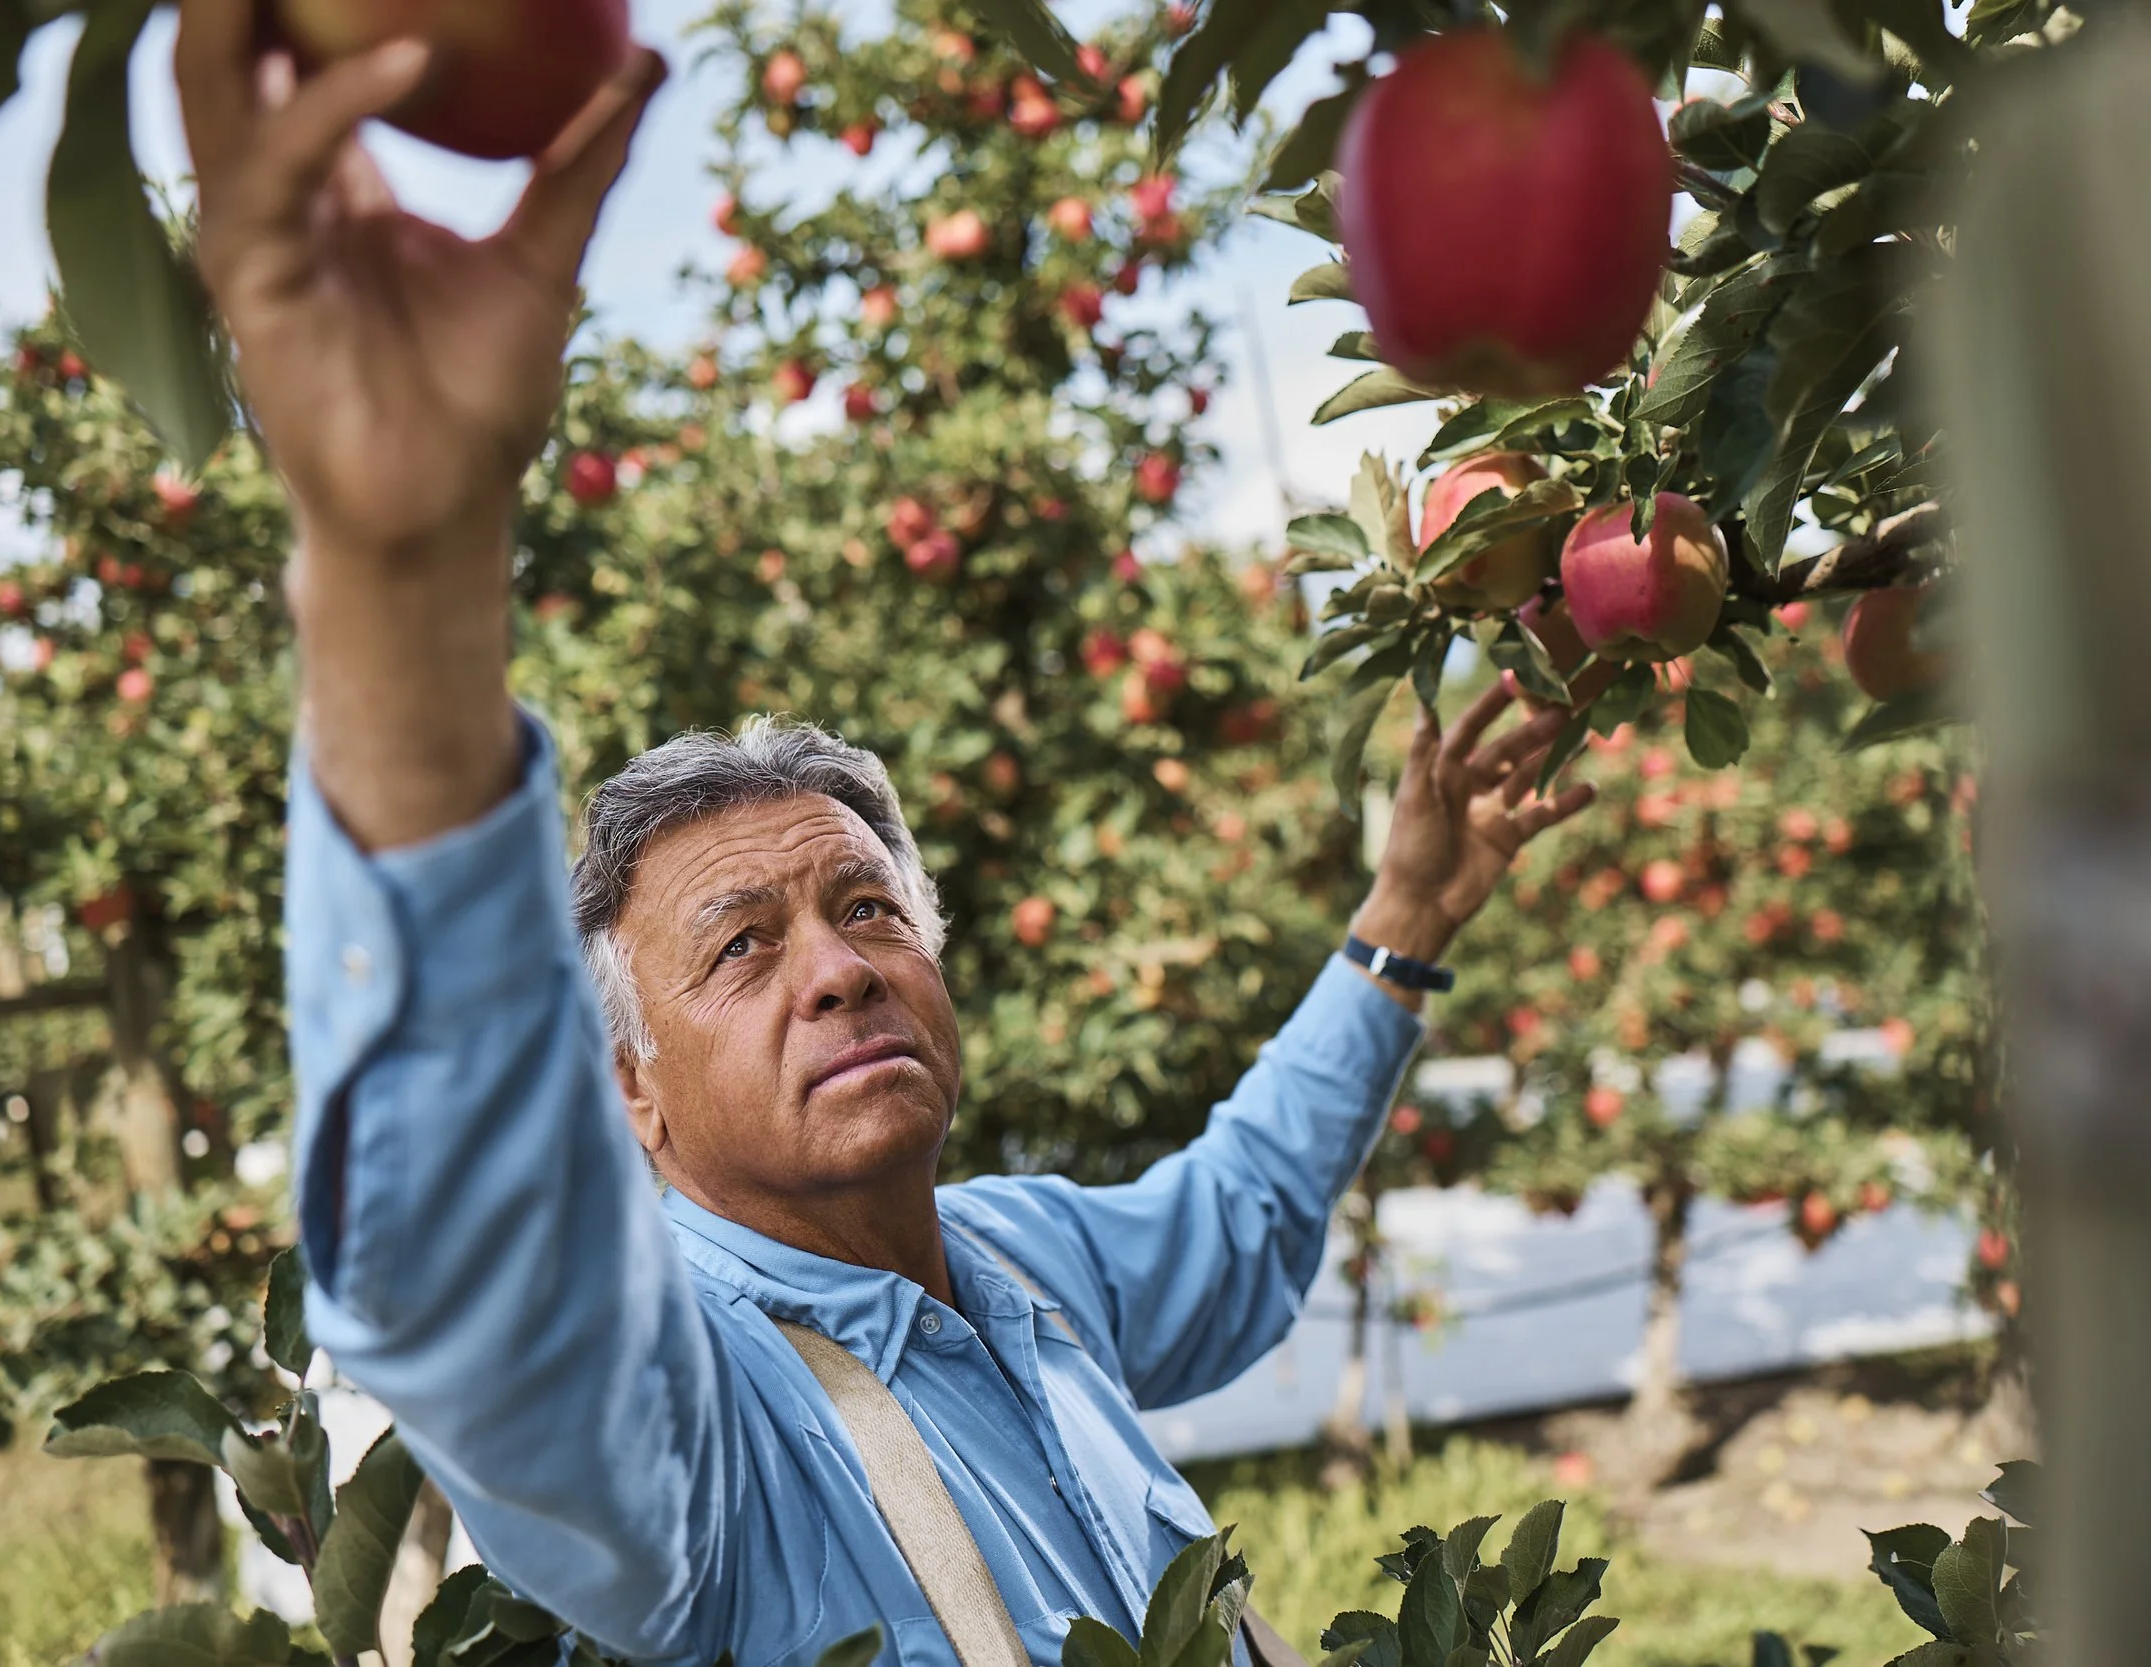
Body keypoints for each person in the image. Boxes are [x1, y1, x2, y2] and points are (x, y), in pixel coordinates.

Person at [172, 4, 1597, 1664]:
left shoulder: (1017, 1260)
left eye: (868, 906)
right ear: (630, 1091)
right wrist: (403, 576)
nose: (841, 968)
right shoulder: (687, 1429)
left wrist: (1402, 920)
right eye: (739, 947)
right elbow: (472, 1271)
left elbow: (1242, 1216)